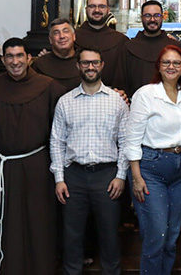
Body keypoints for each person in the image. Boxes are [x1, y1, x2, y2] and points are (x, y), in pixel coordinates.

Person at [0, 37, 67, 275]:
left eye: (19, 56)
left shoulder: (48, 86)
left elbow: (72, 107)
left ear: (29, 58)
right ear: (3, 60)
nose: (15, 62)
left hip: (36, 166)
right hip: (2, 166)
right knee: (3, 221)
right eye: (10, 57)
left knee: (37, 222)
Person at [51, 48, 129, 275]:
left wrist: (120, 175)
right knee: (72, 235)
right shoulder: (65, 102)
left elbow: (126, 140)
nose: (90, 67)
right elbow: (57, 141)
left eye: (94, 62)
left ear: (102, 65)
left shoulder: (117, 101)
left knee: (109, 234)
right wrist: (59, 179)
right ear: (78, 66)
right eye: (85, 63)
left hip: (107, 176)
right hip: (73, 176)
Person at [123, 45, 181, 274]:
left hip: (180, 167)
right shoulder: (146, 94)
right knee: (156, 235)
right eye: (166, 62)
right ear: (159, 66)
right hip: (151, 168)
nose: (171, 66)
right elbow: (132, 138)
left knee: (172, 235)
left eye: (177, 63)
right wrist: (136, 177)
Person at [119, 0, 181, 97]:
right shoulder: (129, 47)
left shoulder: (174, 46)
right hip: (138, 102)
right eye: (148, 16)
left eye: (157, 15)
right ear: (141, 18)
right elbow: (122, 81)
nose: (152, 19)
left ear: (162, 17)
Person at [75, 0, 128, 89]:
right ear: (86, 9)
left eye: (102, 6)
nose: (97, 10)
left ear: (108, 10)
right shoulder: (73, 37)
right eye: (92, 6)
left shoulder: (121, 40)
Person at [32, 18, 81, 90]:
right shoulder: (40, 64)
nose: (62, 36)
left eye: (66, 31)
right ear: (50, 40)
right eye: (56, 33)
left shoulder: (84, 61)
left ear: (74, 36)